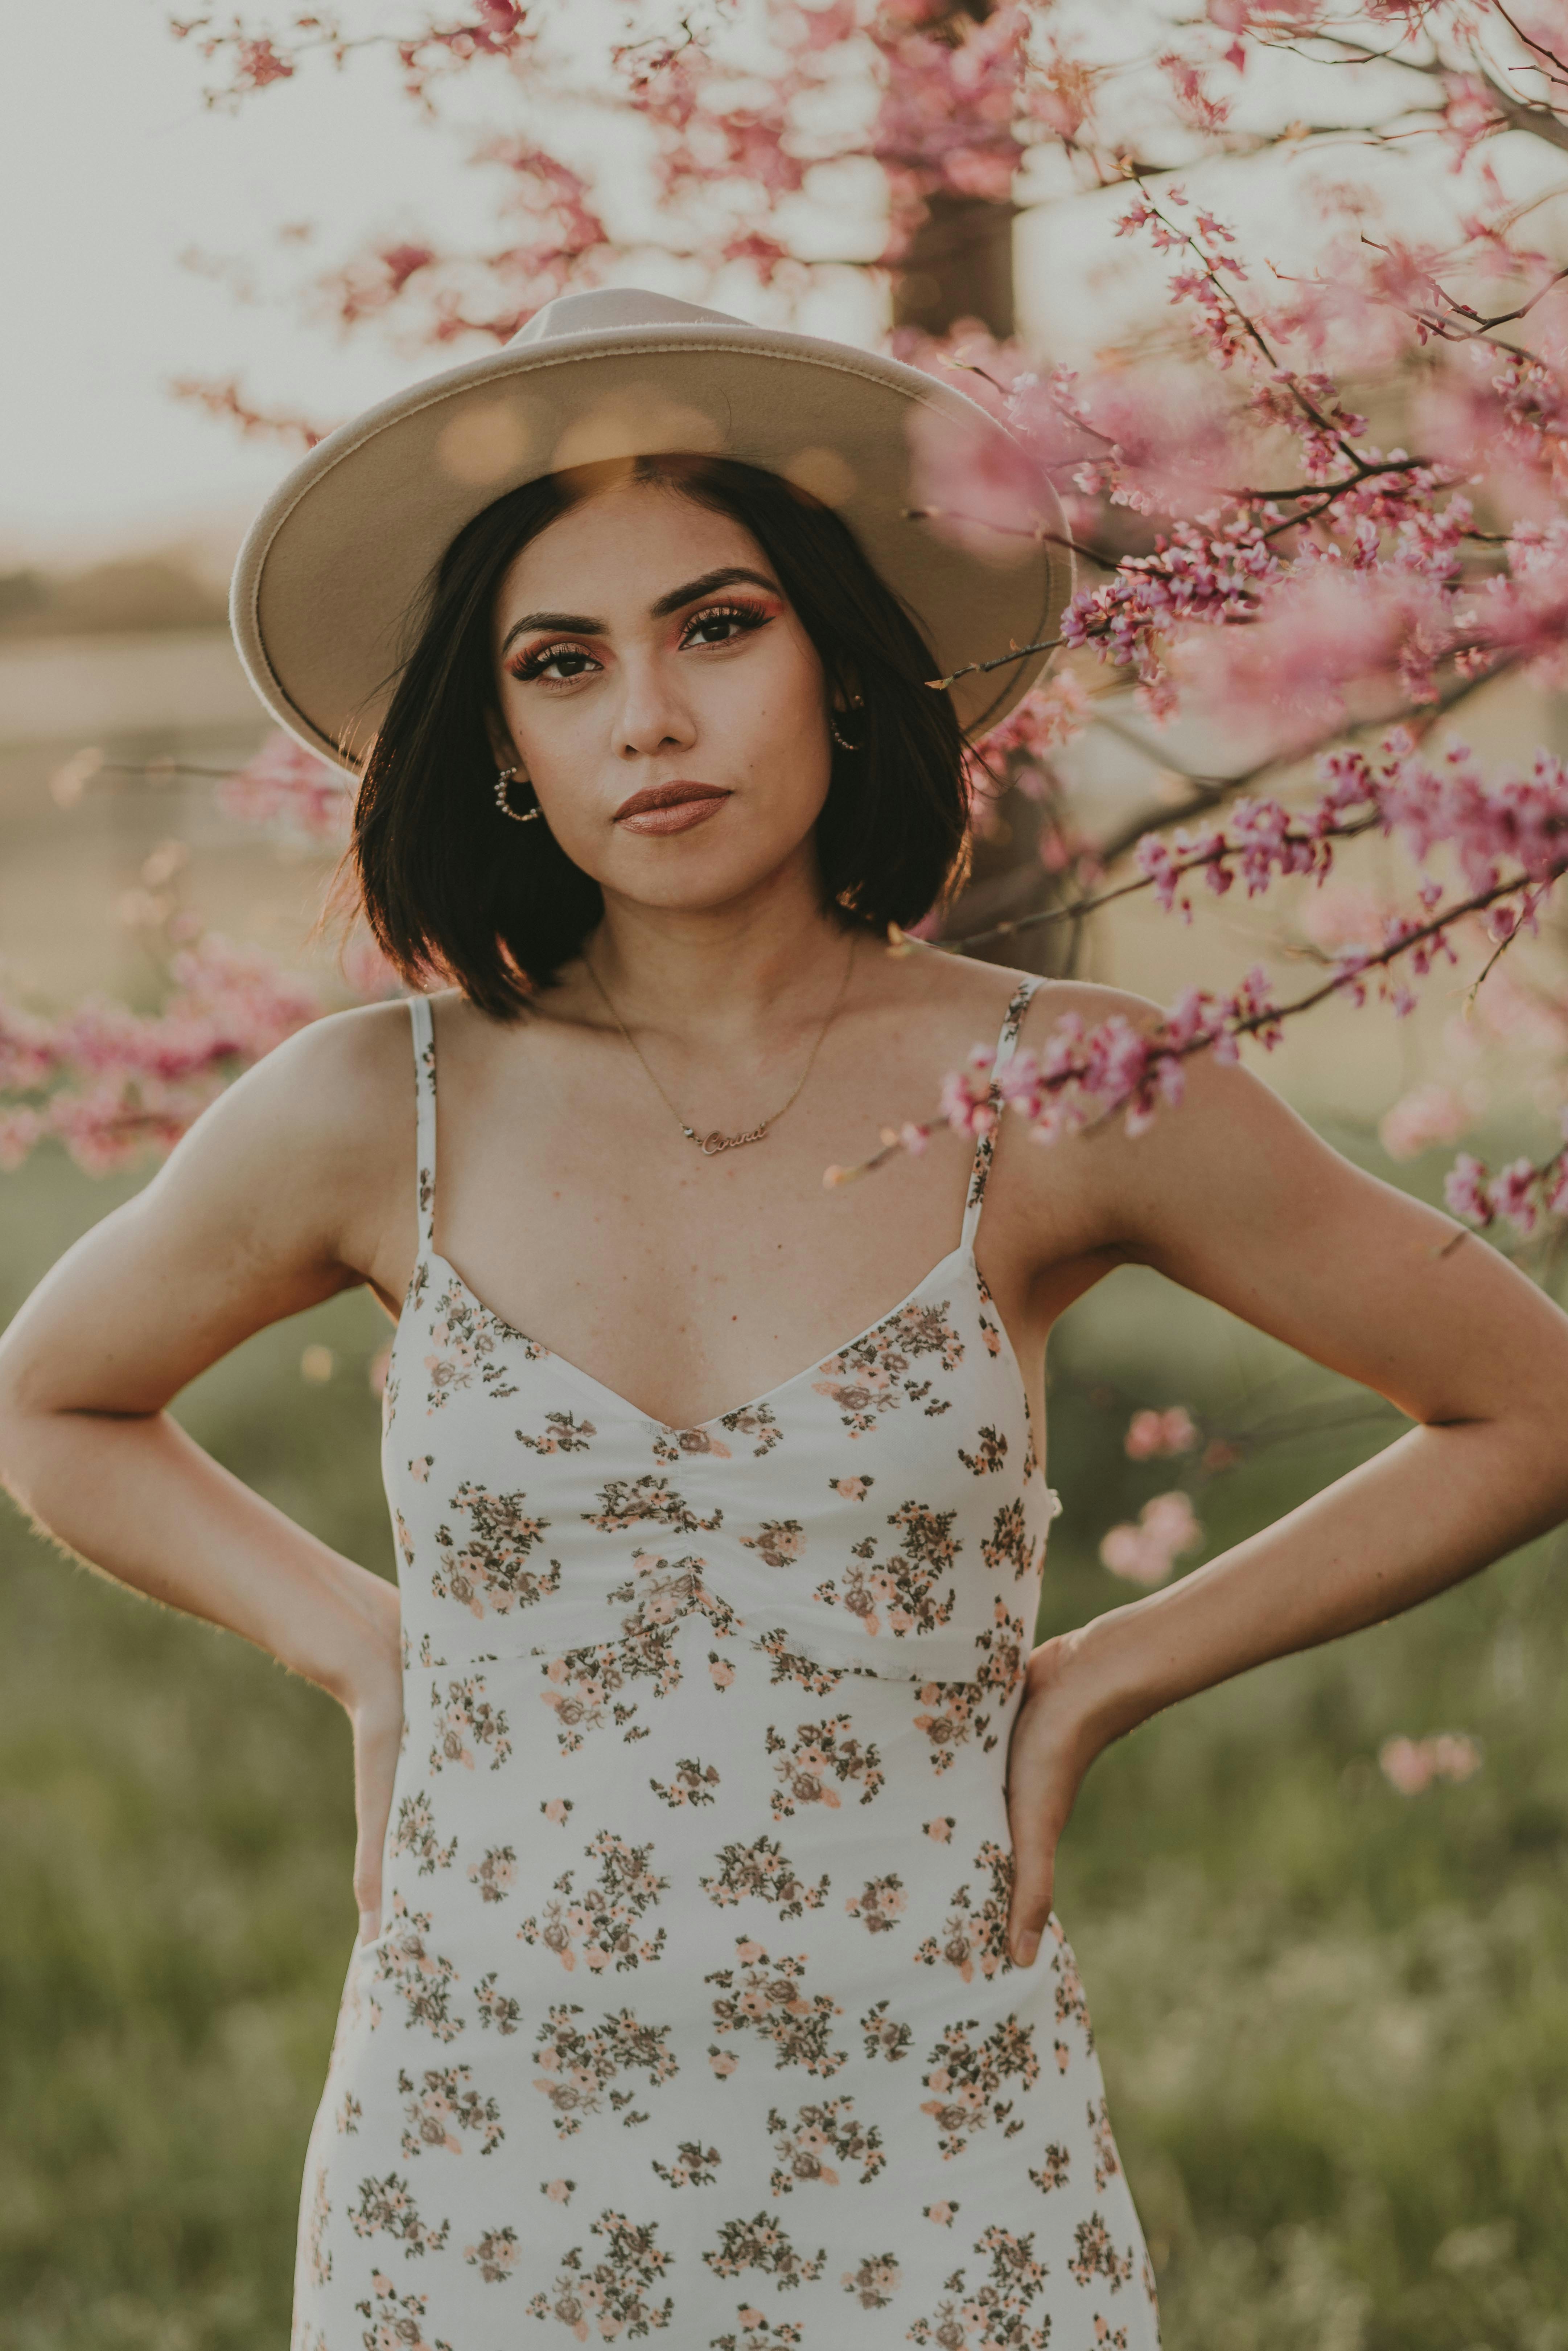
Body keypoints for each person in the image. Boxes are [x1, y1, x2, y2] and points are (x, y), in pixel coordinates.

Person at [3, 289, 1567, 2348]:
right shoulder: (361, 1109)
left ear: (836, 662)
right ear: (502, 745)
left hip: (928, 2148)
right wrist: (363, 1647)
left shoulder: (1063, 1086)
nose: (646, 714)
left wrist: (1097, 1672)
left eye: (715, 626)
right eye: (561, 665)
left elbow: (1523, 1401)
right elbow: (53, 1402)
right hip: (476, 2161)